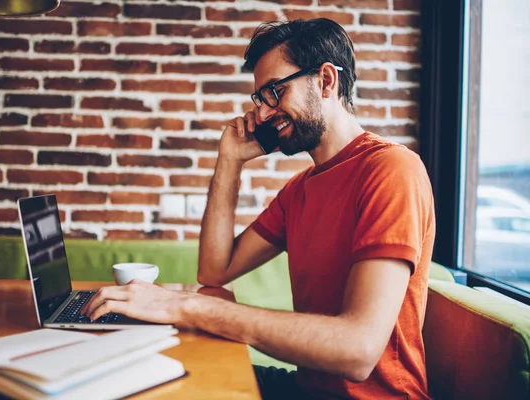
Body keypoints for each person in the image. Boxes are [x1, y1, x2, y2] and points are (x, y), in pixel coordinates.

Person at [81, 18, 435, 399]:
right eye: (260, 99)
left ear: (327, 81)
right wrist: (230, 161)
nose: (264, 114)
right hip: (307, 388)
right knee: (161, 379)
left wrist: (185, 307)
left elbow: (358, 351)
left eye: (276, 92)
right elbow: (215, 270)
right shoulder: (300, 189)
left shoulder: (390, 170)